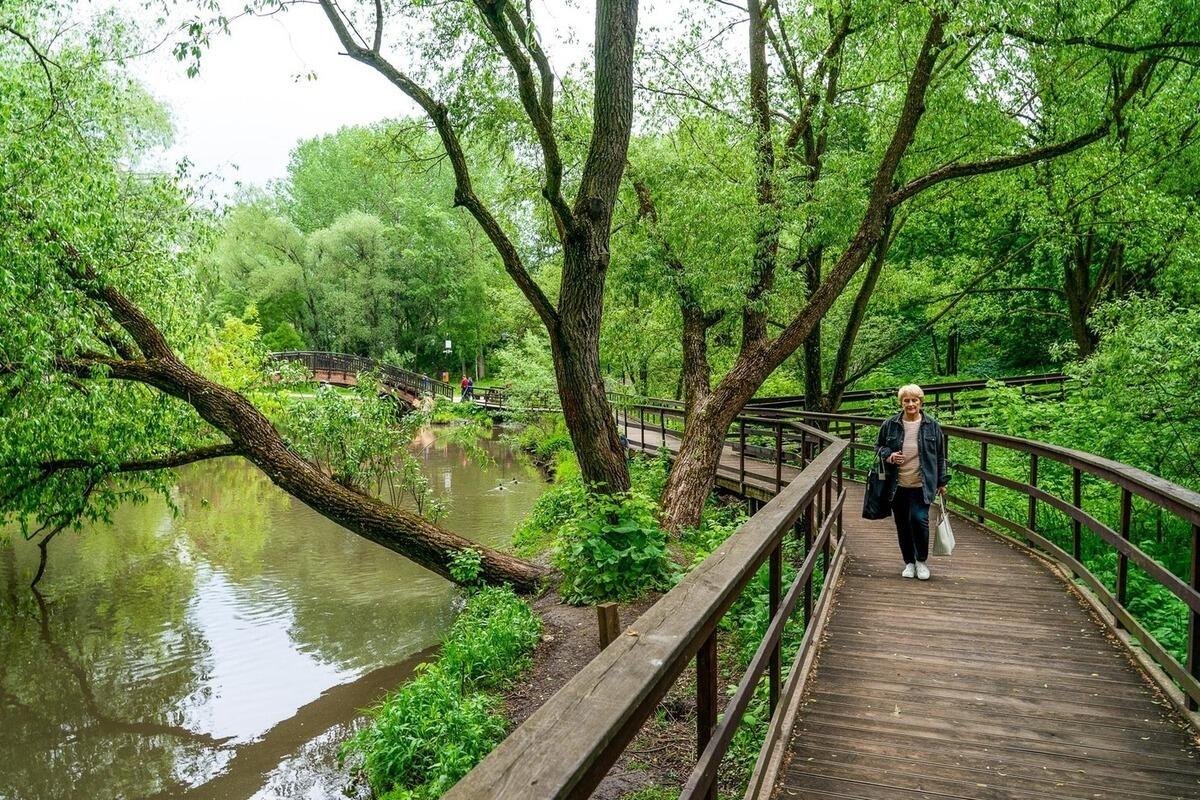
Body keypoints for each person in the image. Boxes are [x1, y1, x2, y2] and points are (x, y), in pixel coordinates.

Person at [874, 384, 950, 581]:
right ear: (901, 402)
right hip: (896, 485)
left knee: (919, 520)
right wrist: (889, 456)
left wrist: (942, 481)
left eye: (914, 400)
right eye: (906, 400)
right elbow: (878, 447)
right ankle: (909, 562)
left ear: (920, 402)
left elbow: (940, 456)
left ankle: (921, 561)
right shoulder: (890, 424)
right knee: (902, 524)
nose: (910, 404)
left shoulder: (932, 426)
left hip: (922, 485)